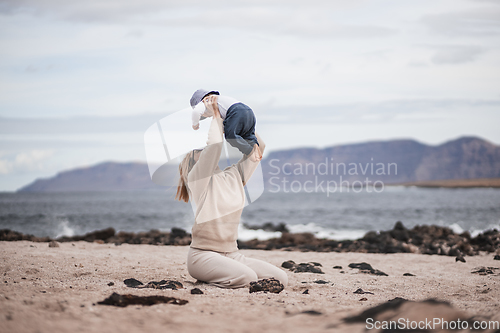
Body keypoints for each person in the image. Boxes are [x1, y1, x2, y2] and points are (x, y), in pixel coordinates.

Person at [176, 94, 288, 289]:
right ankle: (209, 277)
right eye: (197, 151)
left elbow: (259, 148)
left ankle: (220, 275)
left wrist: (242, 120)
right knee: (247, 278)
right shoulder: (198, 180)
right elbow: (215, 146)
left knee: (280, 278)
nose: (202, 150)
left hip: (233, 254)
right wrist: (216, 115)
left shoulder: (234, 176)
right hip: (202, 256)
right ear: (193, 163)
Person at [190, 89, 262, 162]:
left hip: (236, 111)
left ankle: (250, 152)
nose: (207, 116)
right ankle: (255, 145)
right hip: (248, 111)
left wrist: (195, 124)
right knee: (247, 134)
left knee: (230, 136)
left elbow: (196, 112)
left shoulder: (207, 101)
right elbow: (227, 121)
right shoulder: (220, 102)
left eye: (204, 115)